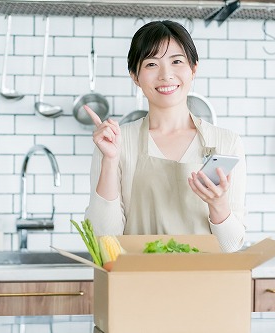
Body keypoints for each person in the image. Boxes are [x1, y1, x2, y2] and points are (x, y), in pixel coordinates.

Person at [84, 20, 246, 252]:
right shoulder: (116, 142)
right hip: (137, 282)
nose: (166, 75)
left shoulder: (226, 143)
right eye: (151, 64)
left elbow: (230, 246)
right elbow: (103, 238)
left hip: (205, 283)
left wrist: (218, 204)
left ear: (193, 69)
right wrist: (110, 160)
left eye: (177, 61)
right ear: (135, 76)